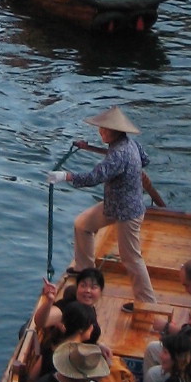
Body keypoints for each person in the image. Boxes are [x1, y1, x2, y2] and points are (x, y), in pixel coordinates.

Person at [51, 106, 157, 307]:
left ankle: (147, 302)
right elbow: (145, 160)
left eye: (104, 129)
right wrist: (90, 148)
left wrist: (66, 176)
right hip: (113, 205)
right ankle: (85, 270)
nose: (100, 131)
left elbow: (94, 177)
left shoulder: (119, 154)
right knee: (82, 225)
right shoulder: (130, 144)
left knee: (131, 258)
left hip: (128, 213)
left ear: (114, 131)